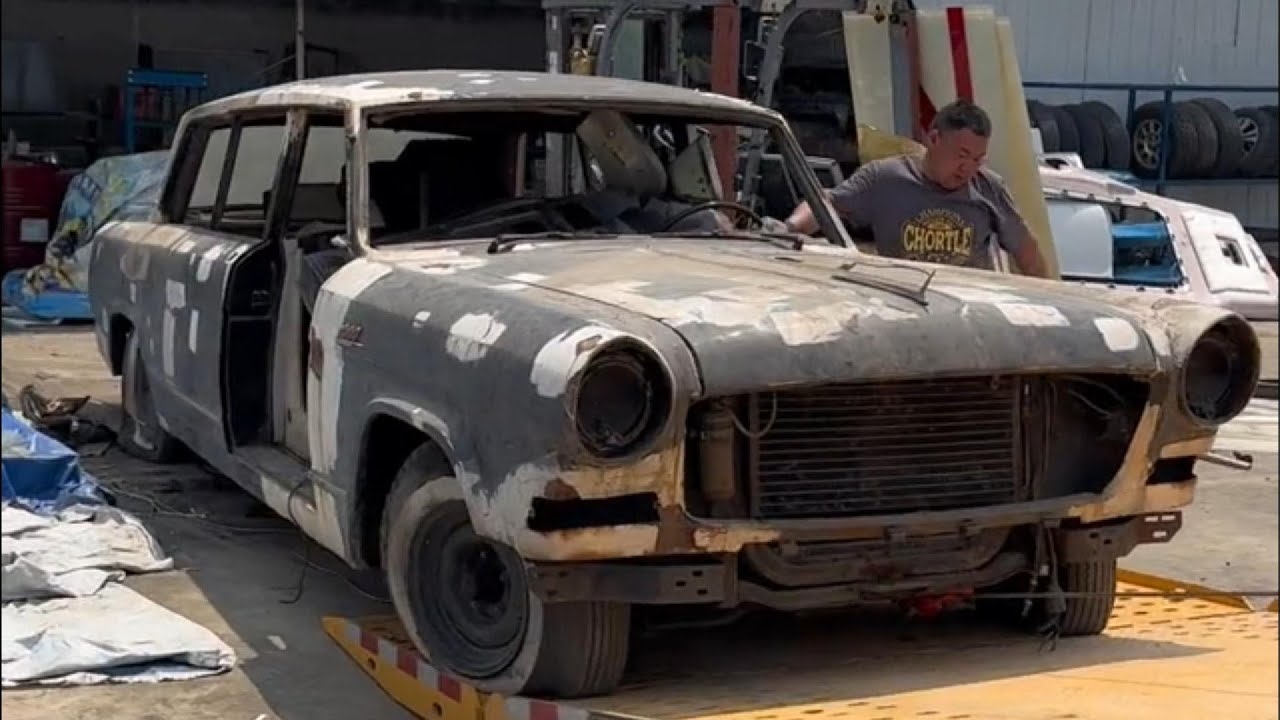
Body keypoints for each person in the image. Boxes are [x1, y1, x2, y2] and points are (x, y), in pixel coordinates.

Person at [782, 99, 1051, 277]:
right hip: (903, 302)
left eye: (977, 159)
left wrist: (1047, 300)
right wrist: (788, 231)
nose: (968, 168)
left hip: (967, 308)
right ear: (934, 138)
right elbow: (825, 204)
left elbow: (1027, 254)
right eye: (961, 155)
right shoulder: (884, 178)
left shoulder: (989, 188)